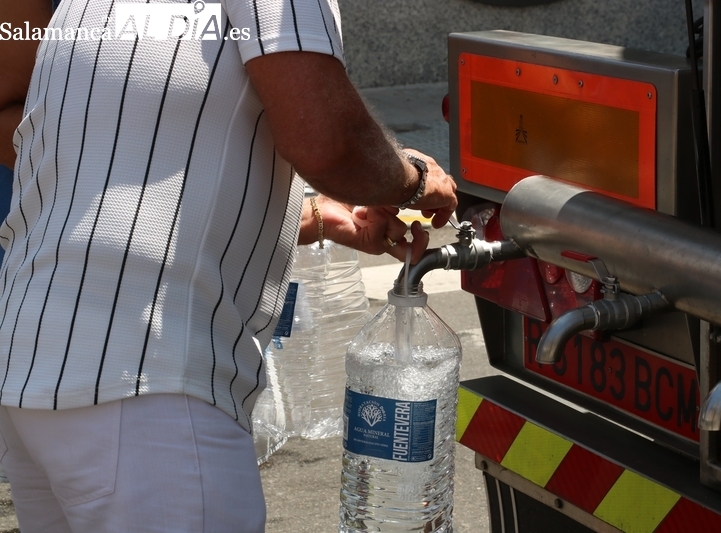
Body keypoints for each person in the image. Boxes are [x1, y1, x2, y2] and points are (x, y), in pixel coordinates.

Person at [0, 1, 458, 531]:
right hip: (148, 387)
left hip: (30, 371)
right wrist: (416, 180)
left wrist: (313, 212)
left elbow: (105, 141)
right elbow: (328, 140)